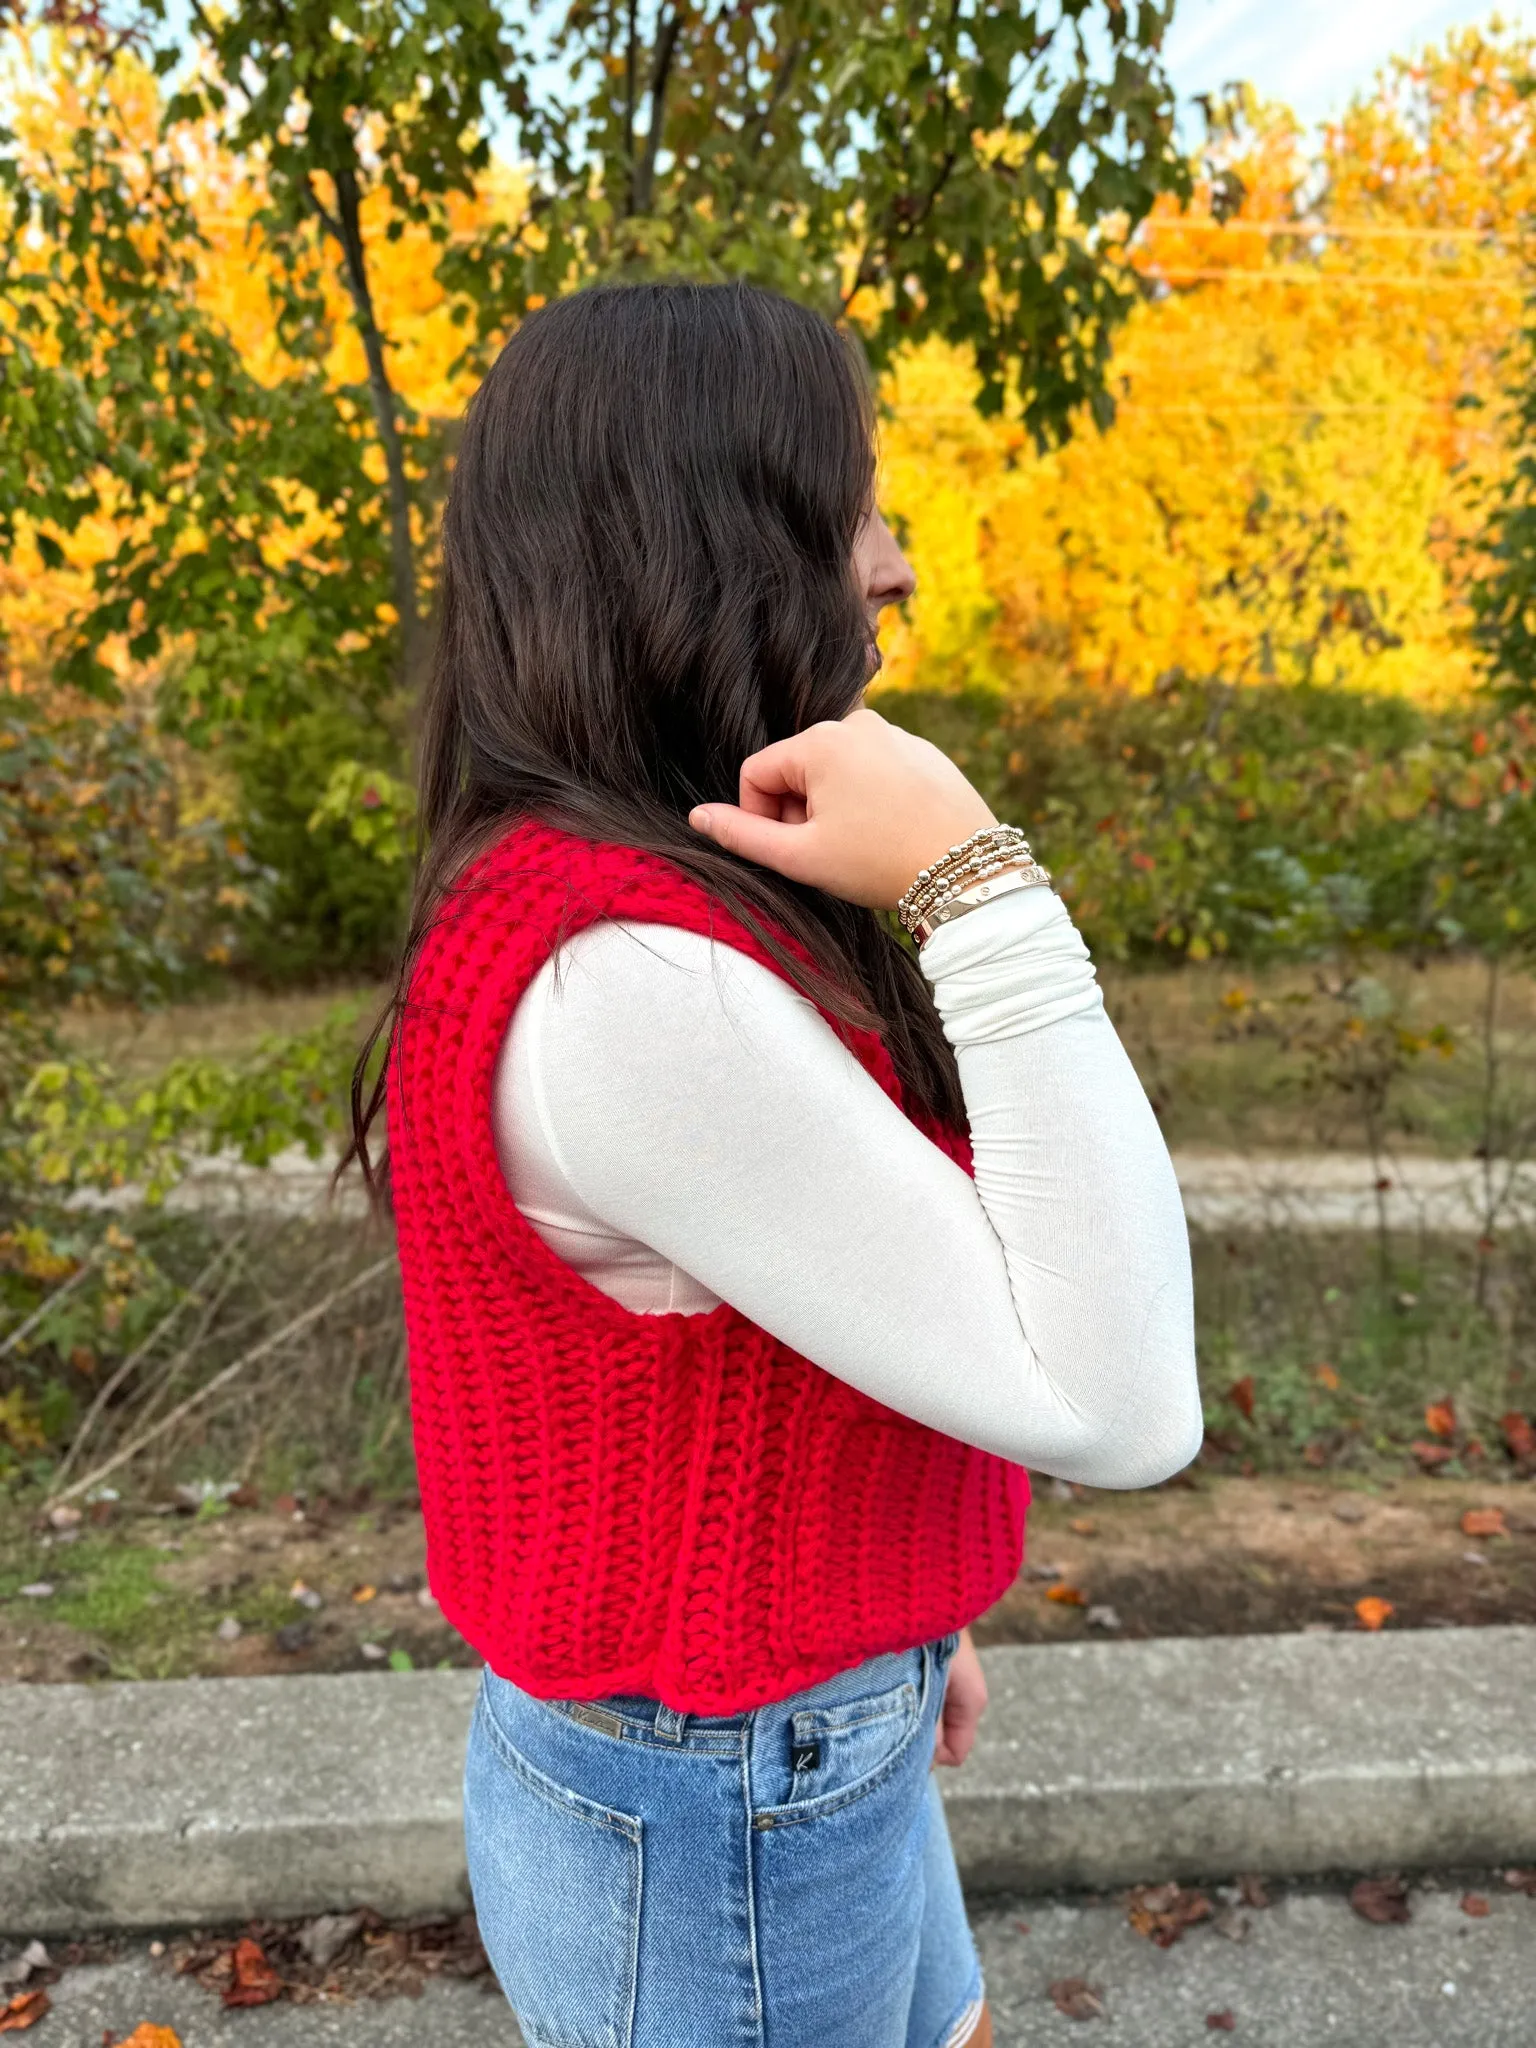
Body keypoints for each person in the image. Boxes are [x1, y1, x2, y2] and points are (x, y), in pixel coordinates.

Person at [353, 279, 1202, 2048]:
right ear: (702, 538)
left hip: (789, 1719)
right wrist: (981, 882)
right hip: (727, 1785)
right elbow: (1124, 1403)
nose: (892, 563)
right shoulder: (624, 982)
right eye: (851, 506)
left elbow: (845, 1308)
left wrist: (908, 1614)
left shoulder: (660, 906)